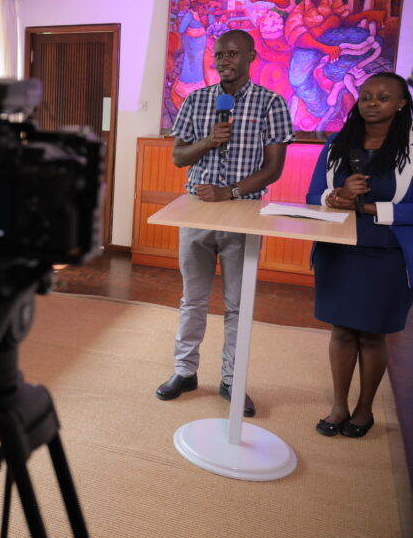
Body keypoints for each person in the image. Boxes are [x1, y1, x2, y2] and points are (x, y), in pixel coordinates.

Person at [156, 29, 295, 416]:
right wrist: (209, 141)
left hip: (243, 213)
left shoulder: (272, 103)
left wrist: (230, 192)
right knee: (192, 299)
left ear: (251, 56)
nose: (224, 61)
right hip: (195, 212)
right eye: (219, 55)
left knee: (237, 304)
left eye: (233, 54)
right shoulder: (197, 100)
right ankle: (184, 372)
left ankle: (232, 381)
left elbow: (273, 169)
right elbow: (179, 157)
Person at [305, 71, 412, 439]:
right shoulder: (338, 143)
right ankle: (339, 405)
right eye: (366, 96)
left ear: (401, 103)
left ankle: (365, 408)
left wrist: (367, 208)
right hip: (338, 248)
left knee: (372, 335)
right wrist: (336, 197)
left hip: (388, 253)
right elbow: (313, 196)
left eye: (383, 97)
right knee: (341, 331)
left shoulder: (412, 147)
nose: (371, 103)